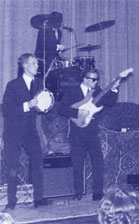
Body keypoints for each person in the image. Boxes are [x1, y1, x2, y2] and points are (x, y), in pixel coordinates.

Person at [57, 68, 121, 201]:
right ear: (85, 79)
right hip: (76, 132)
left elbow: (110, 102)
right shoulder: (72, 91)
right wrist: (77, 113)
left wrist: (114, 89)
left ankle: (98, 192)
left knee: (98, 162)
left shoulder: (98, 91)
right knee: (78, 162)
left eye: (97, 79)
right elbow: (61, 109)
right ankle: (78, 192)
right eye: (92, 80)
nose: (95, 82)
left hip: (92, 131)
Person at [2, 53, 48, 211]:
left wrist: (44, 106)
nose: (37, 66)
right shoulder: (13, 85)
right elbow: (6, 110)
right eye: (34, 63)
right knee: (13, 168)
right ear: (25, 66)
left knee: (38, 163)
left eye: (37, 63)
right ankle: (11, 202)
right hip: (13, 132)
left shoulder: (39, 84)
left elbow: (41, 108)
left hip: (30, 131)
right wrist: (27, 104)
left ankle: (39, 199)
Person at [34, 11, 66, 79]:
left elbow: (56, 46)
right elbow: (43, 45)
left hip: (52, 59)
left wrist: (59, 52)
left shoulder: (59, 32)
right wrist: (58, 47)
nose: (59, 22)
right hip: (43, 58)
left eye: (60, 20)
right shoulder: (44, 30)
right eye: (57, 20)